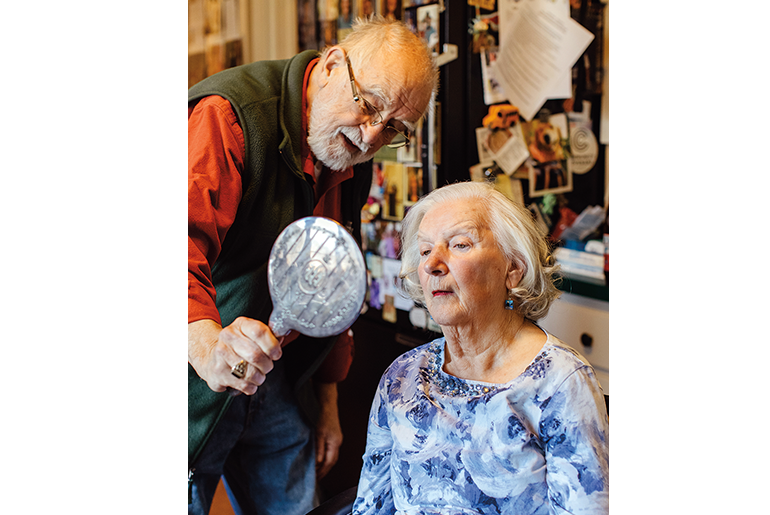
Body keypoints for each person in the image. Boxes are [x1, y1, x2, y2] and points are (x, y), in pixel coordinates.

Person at [188, 16, 439, 515]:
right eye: (368, 105)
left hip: (277, 377)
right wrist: (207, 344)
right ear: (329, 66)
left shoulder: (348, 160)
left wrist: (327, 403)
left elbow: (332, 286)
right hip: (196, 372)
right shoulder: (229, 118)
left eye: (393, 127)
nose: (371, 137)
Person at [352, 181, 609, 514]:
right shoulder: (402, 376)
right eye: (426, 250)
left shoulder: (560, 383)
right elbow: (370, 507)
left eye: (459, 244)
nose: (432, 264)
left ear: (513, 269)